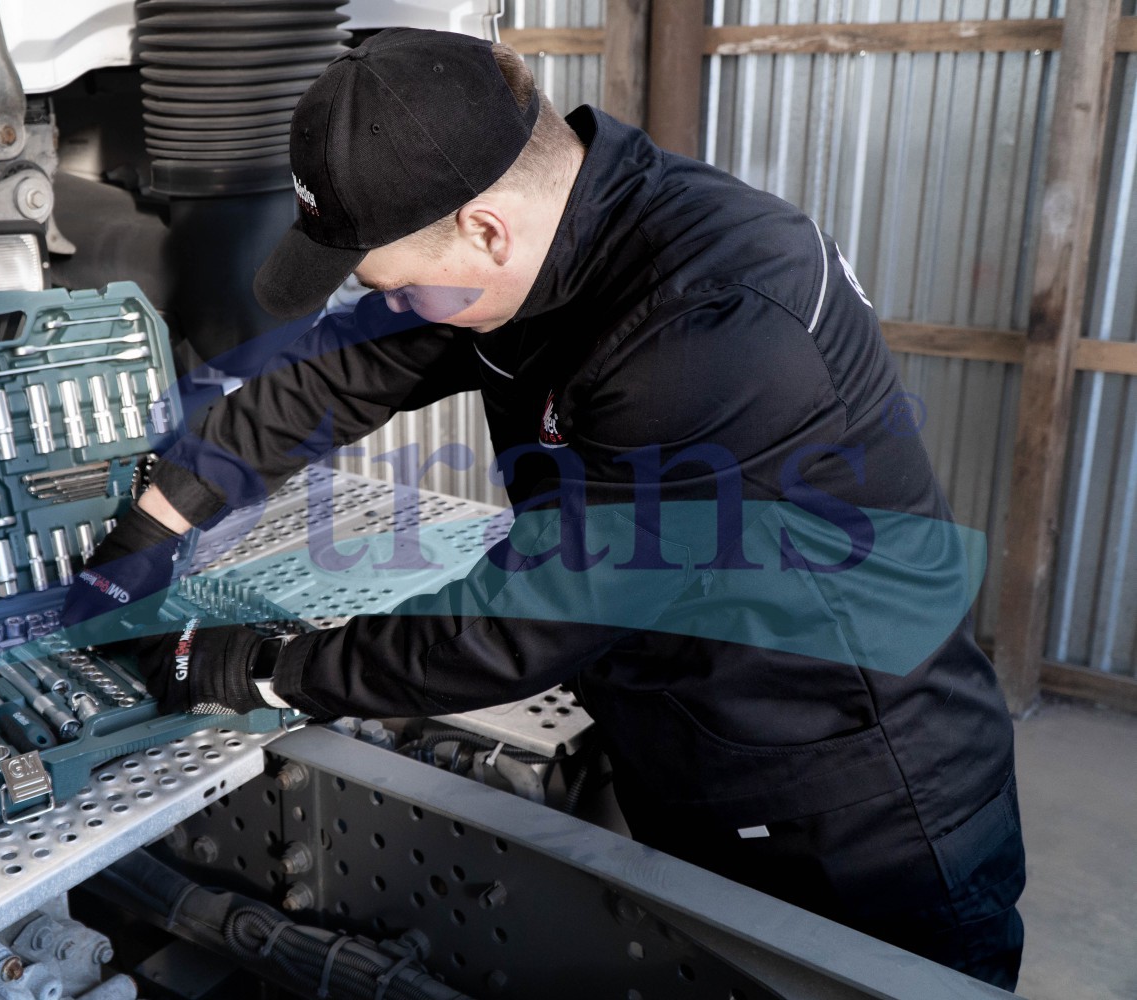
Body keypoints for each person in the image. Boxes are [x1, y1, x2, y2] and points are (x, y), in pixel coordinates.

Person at [63, 28, 1026, 988]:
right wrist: (157, 522)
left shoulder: (713, 326)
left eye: (393, 282)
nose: (393, 304)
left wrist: (264, 668)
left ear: (486, 231)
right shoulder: (541, 240)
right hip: (687, 741)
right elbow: (337, 372)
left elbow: (527, 620)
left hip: (853, 815)